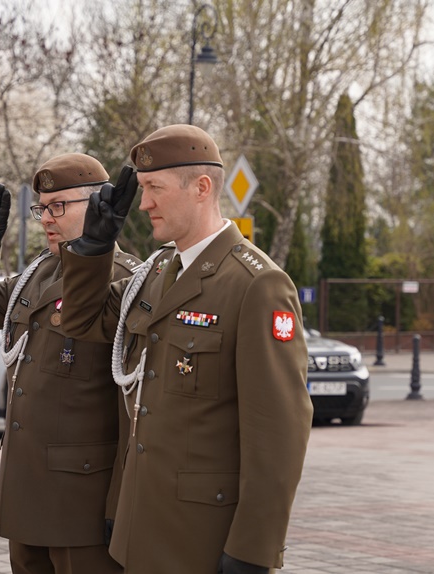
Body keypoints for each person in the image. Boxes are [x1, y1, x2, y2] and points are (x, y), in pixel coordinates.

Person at [59, 125, 313, 574]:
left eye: (154, 188)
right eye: (142, 189)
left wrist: (254, 550)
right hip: (140, 529)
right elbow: (81, 322)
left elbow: (278, 434)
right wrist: (94, 249)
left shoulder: (256, 284)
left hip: (202, 538)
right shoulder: (154, 274)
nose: (144, 204)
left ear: (201, 188)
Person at [0, 153, 141, 574]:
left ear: (98, 206)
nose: (47, 219)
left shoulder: (125, 279)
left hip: (81, 503)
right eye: (41, 208)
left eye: (59, 207)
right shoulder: (38, 273)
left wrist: (119, 505)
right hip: (25, 491)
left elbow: (134, 411)